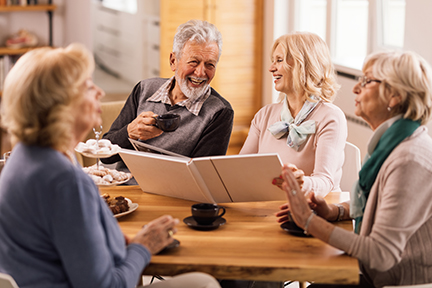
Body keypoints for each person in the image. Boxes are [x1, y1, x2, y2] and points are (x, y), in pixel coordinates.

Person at [0, 44, 221, 288]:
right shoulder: (65, 181)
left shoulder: (24, 156)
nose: (100, 92)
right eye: (87, 86)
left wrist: (122, 241)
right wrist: (143, 247)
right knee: (204, 283)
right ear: (59, 104)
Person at [278, 50, 432, 288]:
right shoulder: (393, 143)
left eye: (367, 81)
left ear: (395, 96)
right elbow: (380, 203)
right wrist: (334, 211)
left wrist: (308, 221)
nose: (355, 88)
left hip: (395, 282)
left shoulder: (408, 160)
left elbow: (381, 254)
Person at [102, 19, 234, 169]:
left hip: (172, 192)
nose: (200, 73)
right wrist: (129, 133)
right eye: (193, 62)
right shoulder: (144, 89)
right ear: (173, 61)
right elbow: (105, 155)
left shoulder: (219, 111)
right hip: (125, 186)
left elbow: (203, 177)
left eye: (210, 64)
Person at [240, 32, 347, 197]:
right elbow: (240, 167)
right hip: (271, 206)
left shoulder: (331, 117)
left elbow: (325, 181)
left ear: (303, 65)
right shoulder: (264, 115)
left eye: (279, 60)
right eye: (273, 61)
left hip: (316, 208)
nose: (271, 68)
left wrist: (301, 183)